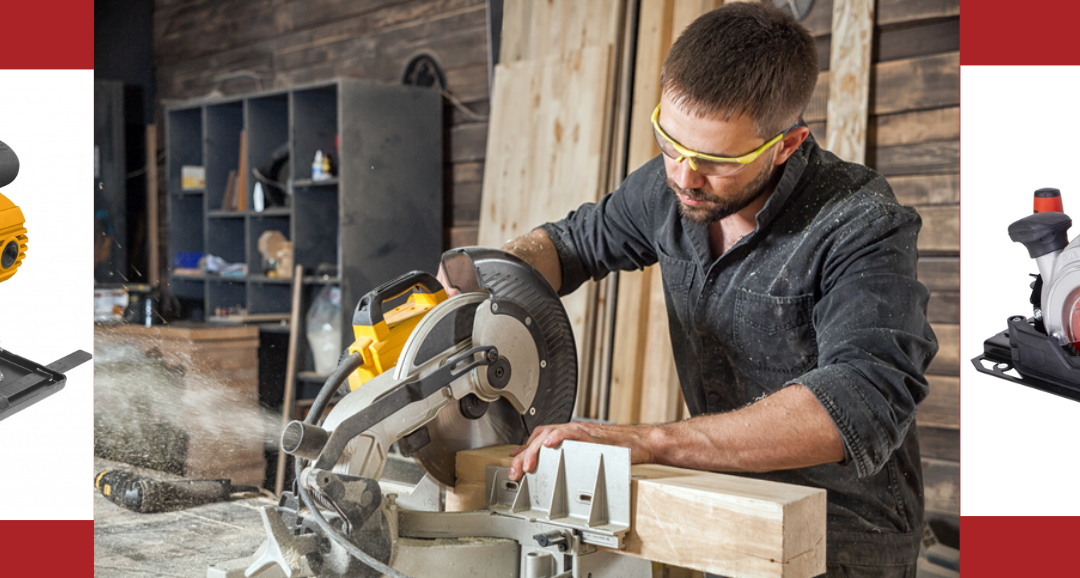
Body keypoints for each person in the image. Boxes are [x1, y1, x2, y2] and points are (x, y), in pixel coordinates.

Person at [443, 4, 938, 576]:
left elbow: (857, 401)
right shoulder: (670, 187)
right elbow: (569, 244)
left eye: (714, 161)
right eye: (671, 144)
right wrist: (477, 279)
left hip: (843, 532)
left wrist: (651, 441)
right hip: (724, 501)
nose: (683, 176)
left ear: (786, 143)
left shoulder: (860, 221)